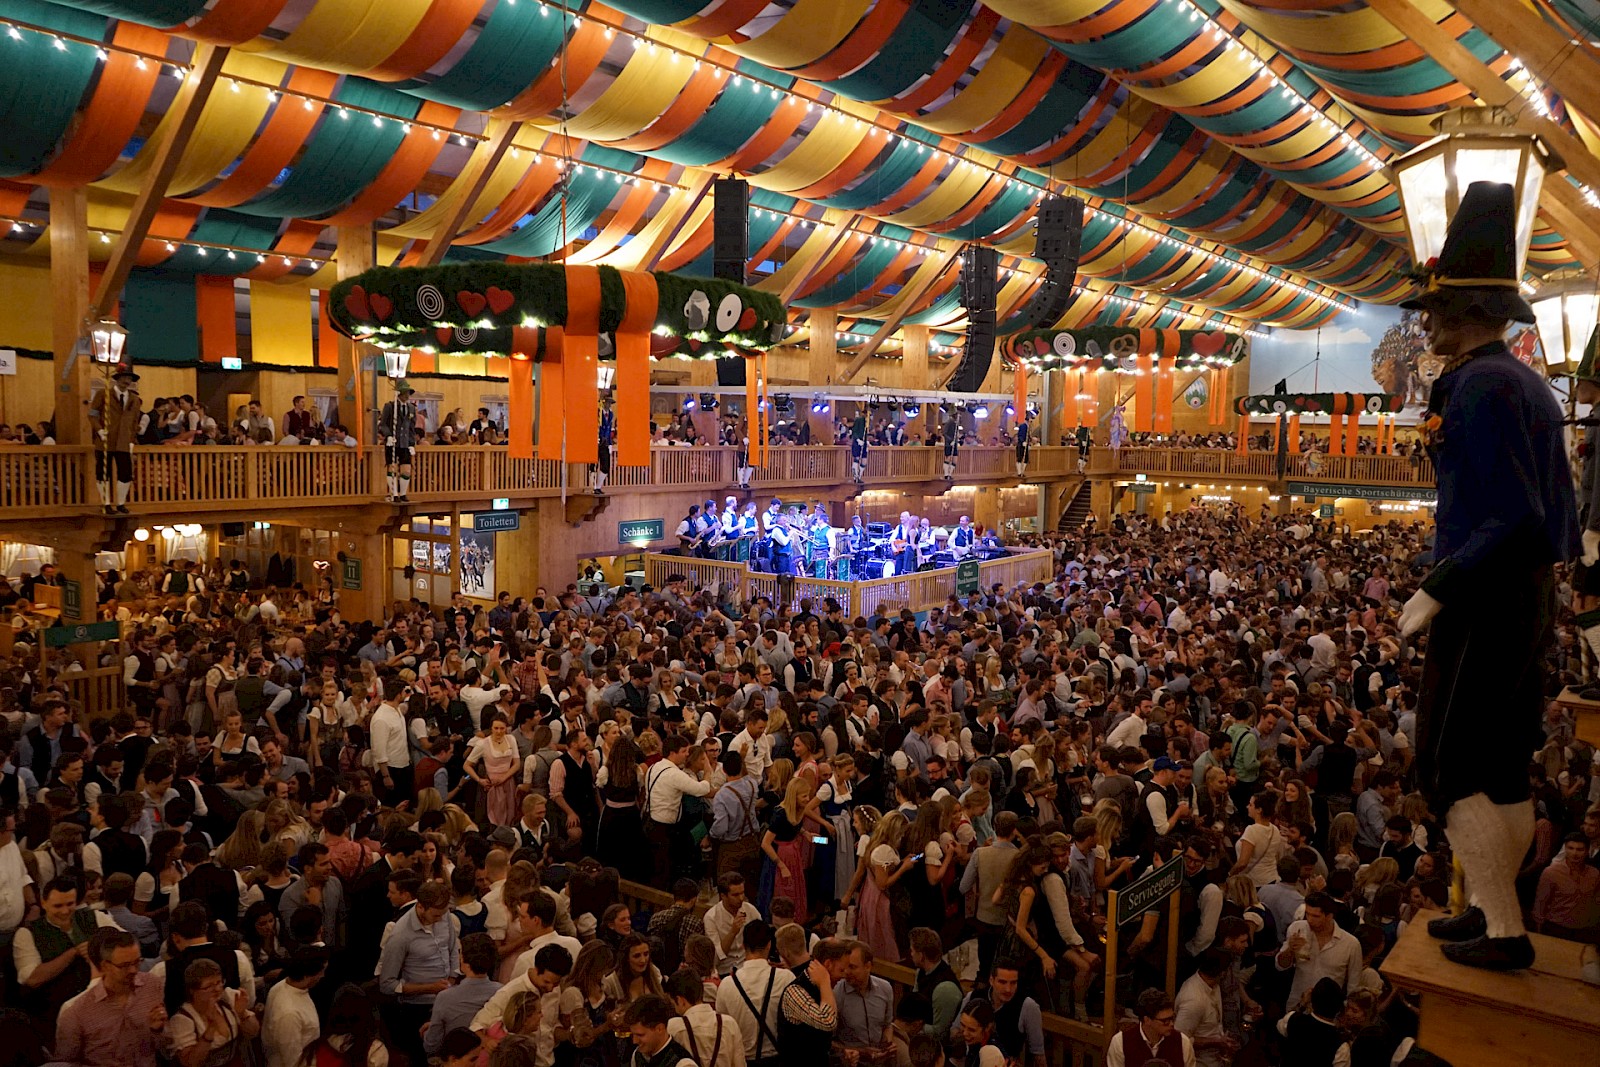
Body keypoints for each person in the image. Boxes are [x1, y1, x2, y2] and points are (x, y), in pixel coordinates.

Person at [1397, 181, 1578, 971]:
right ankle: (1487, 909)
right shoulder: (1525, 384)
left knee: (1449, 761)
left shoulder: (1483, 385)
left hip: (1487, 592)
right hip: (1523, 591)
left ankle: (1502, 925)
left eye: (1435, 310)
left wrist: (1440, 584)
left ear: (1465, 311)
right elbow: (1556, 517)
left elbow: (1514, 513)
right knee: (1501, 763)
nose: (1427, 322)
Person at [54, 928, 168, 1067]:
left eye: (137, 962)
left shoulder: (152, 985)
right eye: (124, 965)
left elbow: (165, 1046)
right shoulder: (77, 1012)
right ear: (105, 966)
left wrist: (157, 1030)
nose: (133, 970)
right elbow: (65, 1062)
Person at [379, 879, 462, 1067]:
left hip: (446, 1000)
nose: (441, 919)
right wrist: (430, 988)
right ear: (421, 907)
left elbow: (452, 950)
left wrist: (451, 980)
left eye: (443, 914)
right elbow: (387, 984)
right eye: (436, 915)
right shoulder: (400, 935)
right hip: (417, 1009)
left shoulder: (444, 915)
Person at [715, 920, 791, 1067]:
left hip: (741, 1061)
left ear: (743, 946)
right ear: (769, 945)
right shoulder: (785, 978)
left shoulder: (727, 985)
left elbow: (724, 1030)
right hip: (776, 1060)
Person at [163, 957, 260, 1067]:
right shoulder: (183, 1019)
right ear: (192, 990)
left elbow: (254, 1032)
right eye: (208, 986)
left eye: (219, 982)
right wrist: (211, 1029)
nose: (217, 989)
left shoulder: (228, 998)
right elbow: (190, 1063)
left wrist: (242, 1014)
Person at [1274, 892, 1362, 1005]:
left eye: (1315, 916)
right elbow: (1281, 966)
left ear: (1329, 916)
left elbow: (1353, 985)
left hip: (1328, 1008)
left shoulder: (1350, 944)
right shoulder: (1297, 928)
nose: (1309, 920)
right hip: (1297, 1001)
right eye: (1307, 914)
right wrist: (1290, 950)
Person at [665, 968, 746, 1067]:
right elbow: (740, 1064)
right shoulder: (729, 1023)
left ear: (680, 1000)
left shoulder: (674, 1027)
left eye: (672, 1003)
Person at [89, 363, 142, 514]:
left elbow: (134, 422)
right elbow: (92, 414)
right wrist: (99, 430)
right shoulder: (103, 394)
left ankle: (120, 503)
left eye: (129, 378)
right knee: (103, 473)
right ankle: (105, 503)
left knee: (126, 473)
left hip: (124, 442)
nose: (127, 381)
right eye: (124, 377)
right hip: (106, 440)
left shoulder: (134, 399)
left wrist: (132, 440)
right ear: (117, 379)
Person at [1103, 989, 1194, 1067]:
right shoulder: (1120, 1042)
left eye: (1172, 1018)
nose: (1171, 1024)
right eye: (1165, 1021)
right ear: (1147, 1020)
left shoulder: (1183, 1042)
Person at [1173, 950, 1233, 1067]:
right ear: (1222, 973)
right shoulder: (1194, 1001)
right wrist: (1216, 1042)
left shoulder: (1214, 984)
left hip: (1217, 1059)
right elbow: (1179, 1040)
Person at [626, 994, 698, 1067]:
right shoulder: (637, 1055)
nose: (634, 1041)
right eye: (633, 1035)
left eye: (640, 1035)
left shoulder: (683, 1064)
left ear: (660, 1029)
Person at [379, 379, 420, 503]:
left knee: (406, 469)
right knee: (392, 467)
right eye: (405, 392)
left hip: (405, 442)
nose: (407, 395)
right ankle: (394, 493)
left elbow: (411, 427)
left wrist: (412, 443)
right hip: (393, 441)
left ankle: (403, 494)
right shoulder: (390, 406)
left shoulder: (411, 408)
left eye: (408, 392)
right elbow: (382, 424)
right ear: (399, 393)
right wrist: (388, 435)